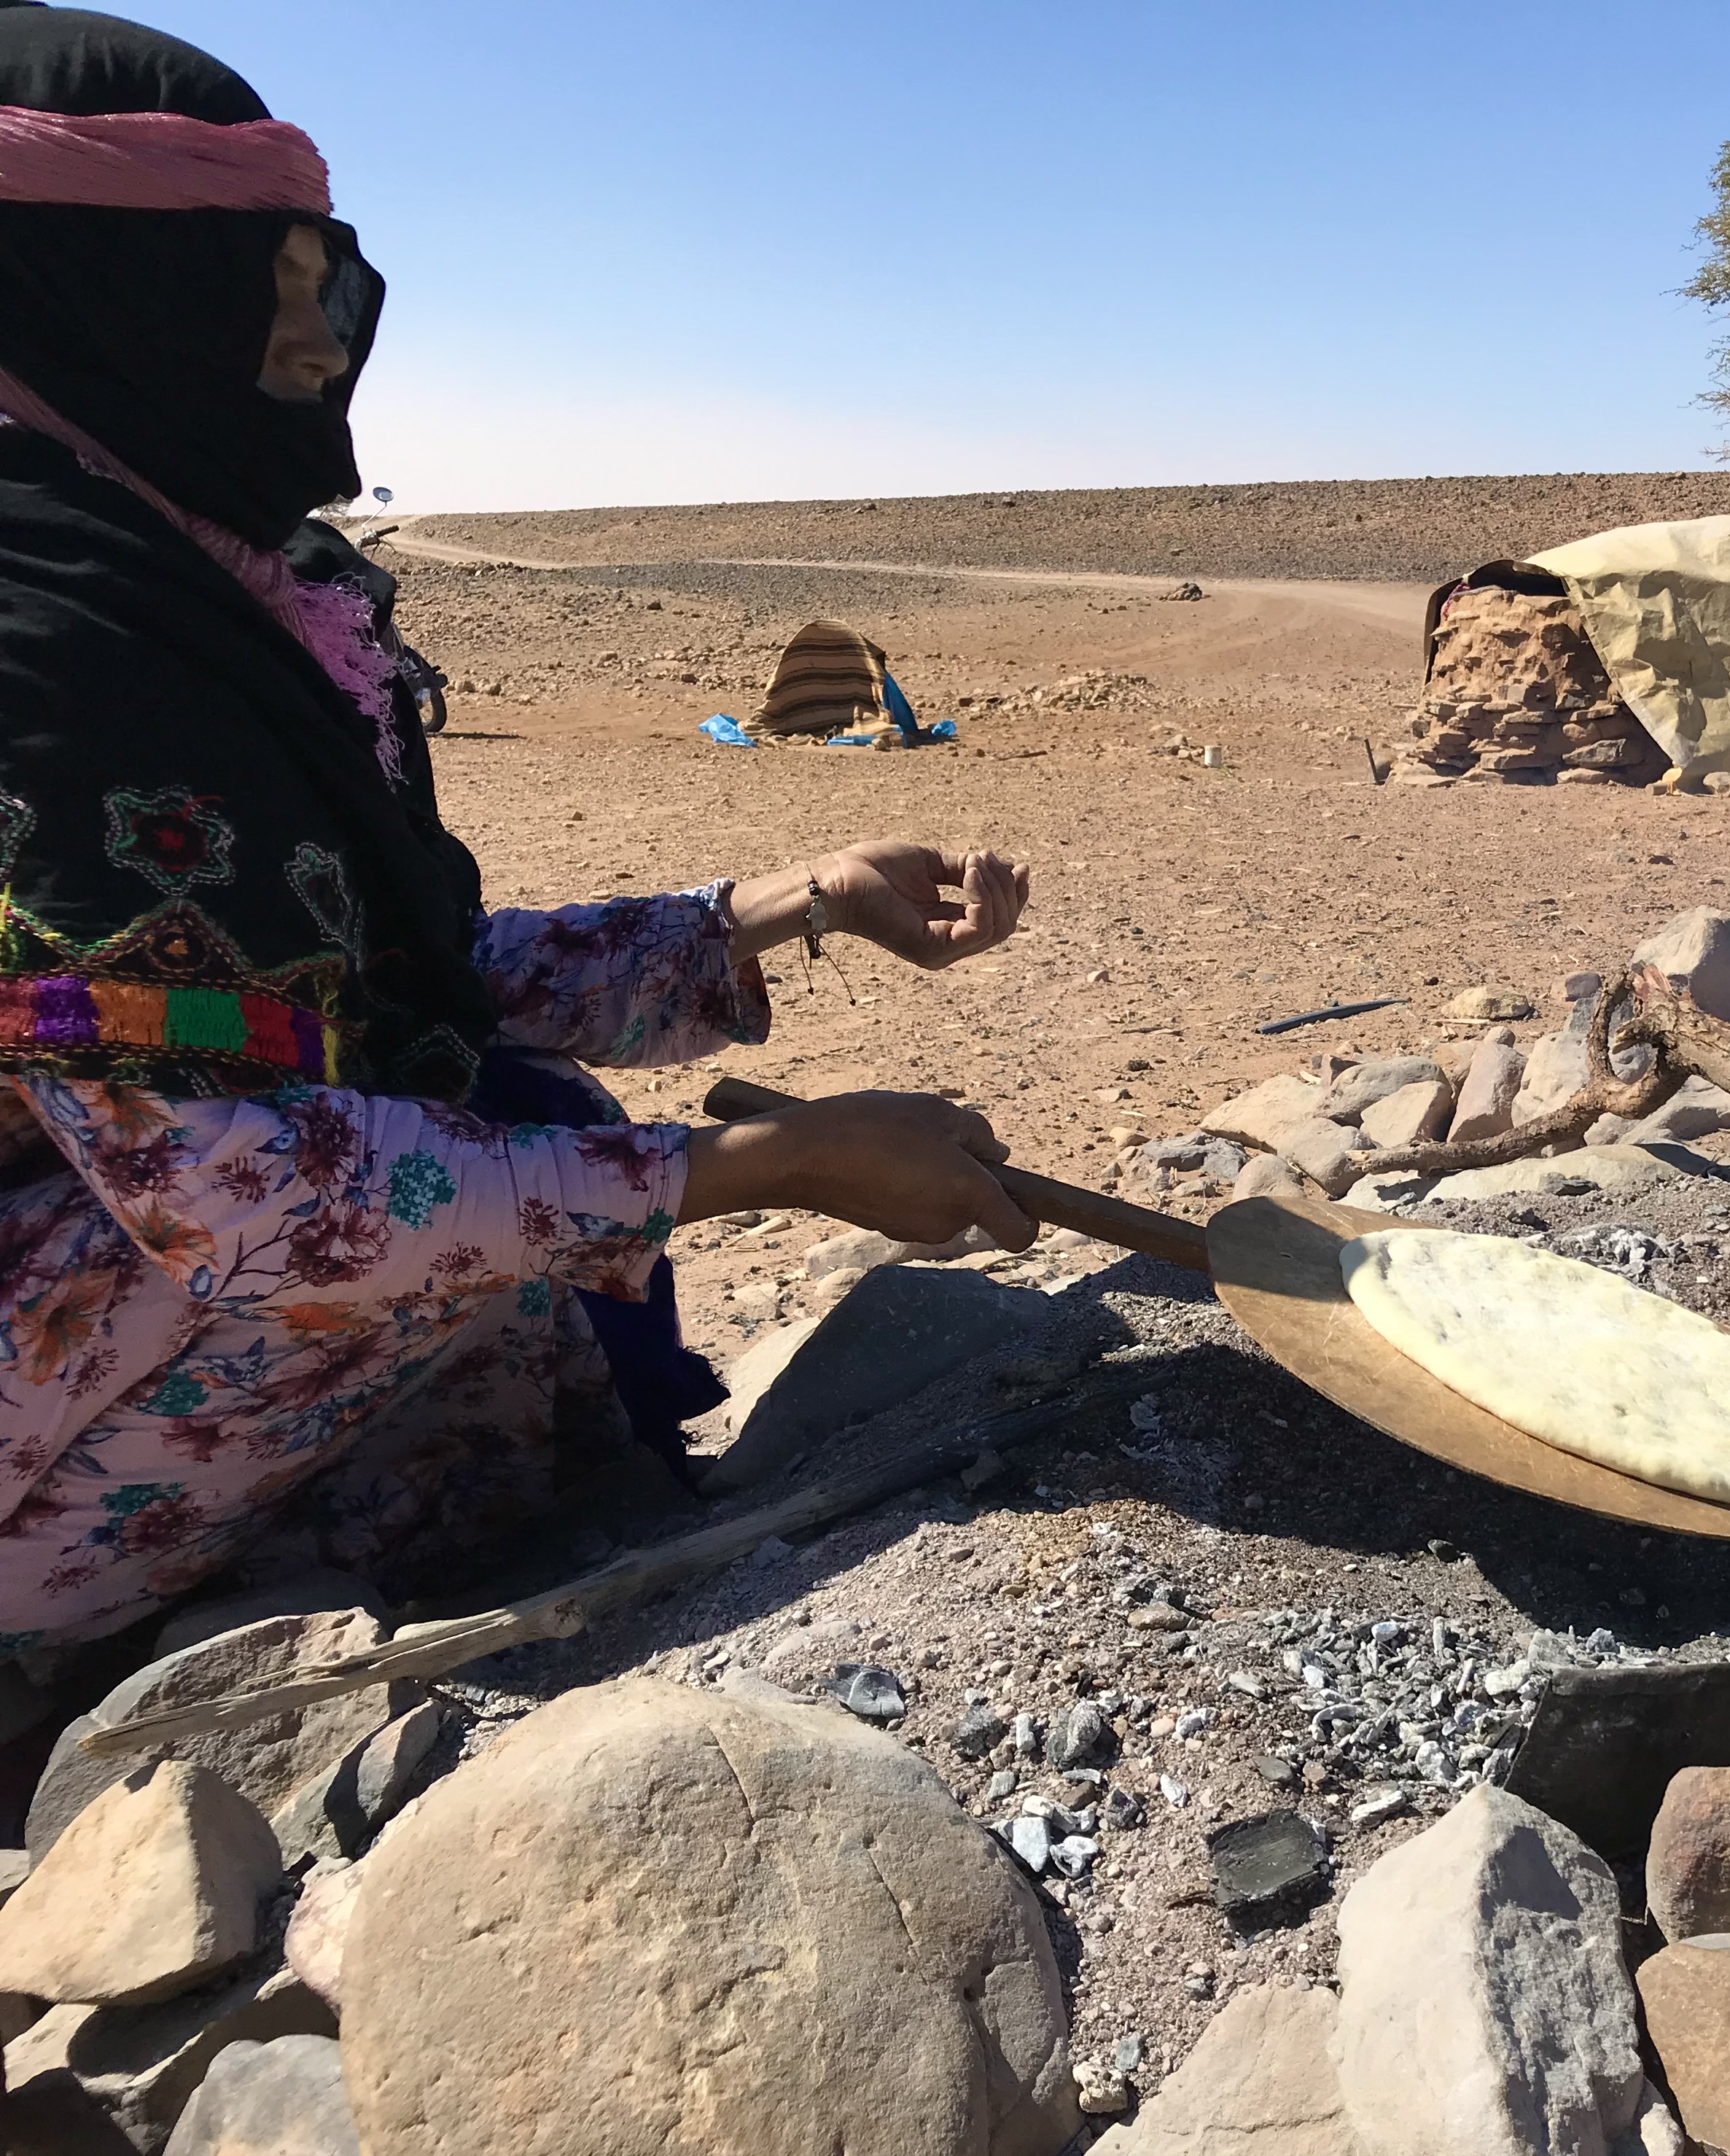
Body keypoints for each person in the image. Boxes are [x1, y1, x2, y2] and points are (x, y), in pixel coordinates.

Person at [0, 7, 1037, 1651]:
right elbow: (242, 1189)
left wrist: (798, 900)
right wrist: (778, 1163)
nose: (317, 343)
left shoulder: (219, 604)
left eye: (317, 281)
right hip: (85, 1325)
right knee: (470, 1186)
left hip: (124, 1304)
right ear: (76, 298)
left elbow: (378, 982)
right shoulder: (45, 649)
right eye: (249, 284)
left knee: (482, 1134)